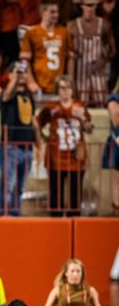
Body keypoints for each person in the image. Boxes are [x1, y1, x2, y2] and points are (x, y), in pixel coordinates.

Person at [36, 74, 93, 217]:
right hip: (56, 158)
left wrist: (82, 119)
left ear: (73, 90)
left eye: (68, 88)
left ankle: (74, 231)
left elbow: (90, 129)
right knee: (55, 198)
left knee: (75, 198)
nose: (65, 91)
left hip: (76, 159)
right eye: (62, 88)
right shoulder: (51, 108)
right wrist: (44, 138)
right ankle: (56, 230)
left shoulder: (80, 107)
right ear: (57, 90)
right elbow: (37, 123)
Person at [0, 60, 41, 216]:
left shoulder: (28, 96)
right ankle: (4, 215)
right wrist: (17, 75)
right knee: (7, 186)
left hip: (27, 148)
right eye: (16, 71)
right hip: (10, 147)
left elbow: (34, 122)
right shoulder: (6, 95)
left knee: (20, 187)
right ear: (10, 75)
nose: (21, 74)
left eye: (23, 71)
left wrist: (39, 147)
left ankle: (15, 216)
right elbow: (8, 94)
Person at [67, 0, 116, 106]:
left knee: (101, 104)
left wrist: (103, 62)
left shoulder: (104, 24)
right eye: (87, 5)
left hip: (99, 73)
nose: (90, 9)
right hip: (80, 75)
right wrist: (71, 79)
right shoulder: (73, 26)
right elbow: (69, 54)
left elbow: (113, 50)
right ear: (82, 6)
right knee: (80, 106)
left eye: (92, 5)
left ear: (96, 6)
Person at [20, 0, 73, 98]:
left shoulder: (64, 32)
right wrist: (30, 81)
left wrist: (70, 79)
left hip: (59, 88)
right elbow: (23, 61)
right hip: (39, 87)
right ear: (42, 12)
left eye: (57, 12)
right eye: (52, 12)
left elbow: (71, 58)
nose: (56, 15)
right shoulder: (32, 32)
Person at [102, 80, 119, 215]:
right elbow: (116, 120)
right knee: (116, 180)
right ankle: (117, 212)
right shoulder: (114, 98)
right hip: (117, 142)